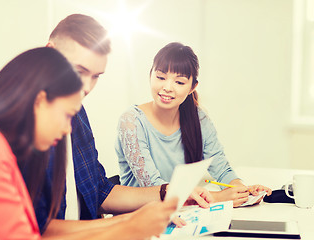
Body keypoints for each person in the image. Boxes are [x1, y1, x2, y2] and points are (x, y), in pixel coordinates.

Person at [0, 47, 181, 240]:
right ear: (40, 100)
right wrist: (129, 227)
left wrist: (135, 220)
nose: (67, 129)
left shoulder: (1, 145)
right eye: (65, 115)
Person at [35, 14, 214, 238]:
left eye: (96, 76)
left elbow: (100, 191)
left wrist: (165, 193)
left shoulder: (78, 114)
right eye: (79, 71)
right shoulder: (24, 125)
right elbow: (38, 228)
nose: (87, 87)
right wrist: (128, 224)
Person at [115, 42, 272, 208]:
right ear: (150, 75)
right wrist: (217, 197)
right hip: (139, 218)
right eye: (160, 78)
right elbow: (153, 187)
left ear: (192, 87)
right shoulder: (131, 122)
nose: (167, 88)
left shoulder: (198, 118)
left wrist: (240, 190)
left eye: (179, 82)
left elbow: (221, 168)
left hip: (182, 215)